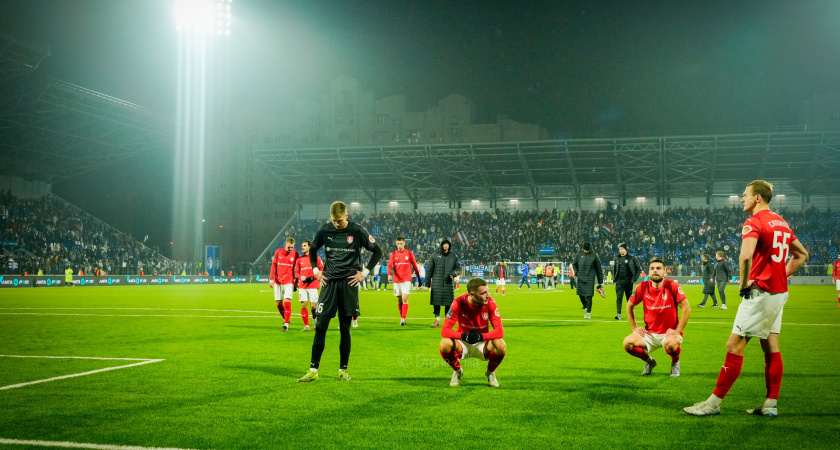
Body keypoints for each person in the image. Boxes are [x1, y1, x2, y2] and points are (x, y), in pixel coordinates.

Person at [685, 180, 808, 417]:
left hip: (760, 293)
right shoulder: (781, 222)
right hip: (779, 293)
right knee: (770, 346)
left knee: (734, 346)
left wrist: (743, 285)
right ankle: (771, 405)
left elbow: (745, 256)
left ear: (758, 198)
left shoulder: (754, 221)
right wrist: (780, 274)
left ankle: (713, 403)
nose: (742, 199)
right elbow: (802, 255)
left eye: (745, 195)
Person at [297, 201, 382, 383]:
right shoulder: (324, 230)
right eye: (334, 220)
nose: (337, 224)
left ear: (346, 215)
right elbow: (313, 250)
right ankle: (313, 369)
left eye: (340, 220)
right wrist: (316, 271)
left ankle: (343, 370)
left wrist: (364, 273)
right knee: (320, 326)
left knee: (345, 328)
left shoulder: (358, 231)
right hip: (328, 282)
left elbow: (377, 251)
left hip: (349, 283)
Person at [623, 257, 691, 377]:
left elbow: (686, 308)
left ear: (665, 272)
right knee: (627, 344)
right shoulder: (642, 287)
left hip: (669, 333)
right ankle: (650, 362)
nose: (655, 271)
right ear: (648, 272)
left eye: (659, 268)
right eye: (652, 268)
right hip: (649, 333)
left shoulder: (672, 285)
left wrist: (678, 331)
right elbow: (629, 306)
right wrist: (634, 327)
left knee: (670, 345)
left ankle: (675, 363)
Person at [439, 278, 506, 387]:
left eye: (487, 291)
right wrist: (462, 335)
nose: (488, 295)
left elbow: (500, 331)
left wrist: (481, 337)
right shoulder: (458, 302)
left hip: (482, 344)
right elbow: (445, 330)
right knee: (444, 343)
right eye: (483, 293)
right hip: (463, 343)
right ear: (472, 294)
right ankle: (457, 371)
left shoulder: (490, 302)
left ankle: (490, 373)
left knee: (500, 344)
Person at [426, 238, 461, 328]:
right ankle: (437, 320)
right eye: (444, 244)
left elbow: (458, 268)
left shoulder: (453, 256)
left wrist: (453, 274)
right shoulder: (434, 255)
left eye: (447, 244)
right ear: (441, 245)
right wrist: (427, 284)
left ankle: (447, 321)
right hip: (436, 283)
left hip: (448, 283)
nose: (445, 245)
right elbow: (429, 270)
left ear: (449, 245)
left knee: (448, 303)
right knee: (436, 302)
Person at [387, 236, 421, 326]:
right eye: (398, 244)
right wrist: (389, 275)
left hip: (406, 279)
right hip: (396, 280)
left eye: (401, 243)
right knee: (399, 300)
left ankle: (403, 319)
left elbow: (414, 264)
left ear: (404, 243)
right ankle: (403, 318)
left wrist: (418, 276)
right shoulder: (393, 254)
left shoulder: (409, 253)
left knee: (404, 298)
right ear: (396, 244)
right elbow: (390, 265)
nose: (399, 245)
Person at [270, 237, 300, 332]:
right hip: (278, 281)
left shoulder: (295, 254)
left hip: (289, 281)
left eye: (292, 247)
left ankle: (286, 324)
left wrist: (296, 282)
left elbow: (297, 269)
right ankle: (286, 318)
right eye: (289, 247)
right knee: (279, 304)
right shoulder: (278, 252)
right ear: (285, 244)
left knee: (287, 302)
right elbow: (274, 265)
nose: (290, 249)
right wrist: (271, 279)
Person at [295, 240, 323, 332]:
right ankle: (306, 326)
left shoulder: (316, 258)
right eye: (302, 246)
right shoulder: (299, 259)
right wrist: (300, 276)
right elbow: (296, 273)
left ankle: (314, 320)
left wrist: (316, 276)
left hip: (313, 285)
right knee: (303, 305)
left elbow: (322, 269)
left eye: (305, 245)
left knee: (314, 307)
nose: (302, 247)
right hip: (303, 286)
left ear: (309, 247)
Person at [572, 242, 604, 319]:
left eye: (587, 250)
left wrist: (600, 281)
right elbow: (574, 264)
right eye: (585, 250)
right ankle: (585, 306)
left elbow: (598, 269)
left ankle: (588, 313)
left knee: (589, 295)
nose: (586, 251)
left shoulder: (594, 256)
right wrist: (576, 272)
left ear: (590, 249)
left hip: (590, 278)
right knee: (580, 294)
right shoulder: (579, 254)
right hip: (581, 277)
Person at [612, 243, 641, 320]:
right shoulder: (617, 258)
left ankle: (630, 314)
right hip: (619, 281)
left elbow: (638, 269)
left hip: (628, 281)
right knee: (619, 298)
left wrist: (634, 279)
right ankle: (618, 314)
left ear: (625, 249)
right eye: (619, 249)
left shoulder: (632, 258)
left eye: (622, 249)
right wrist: (614, 279)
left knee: (629, 299)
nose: (620, 250)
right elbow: (615, 269)